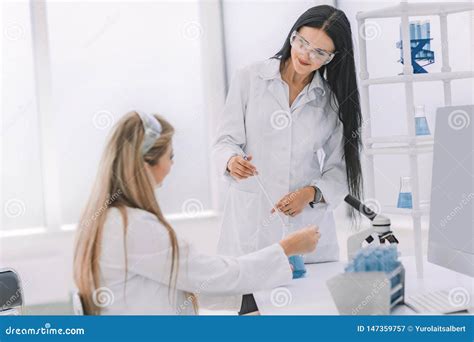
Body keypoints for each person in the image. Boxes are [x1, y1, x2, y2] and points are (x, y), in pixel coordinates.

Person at [73, 110, 320, 315]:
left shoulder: (110, 220)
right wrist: (286, 248)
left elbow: (186, 281)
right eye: (170, 157)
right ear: (146, 164)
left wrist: (246, 300)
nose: (171, 166)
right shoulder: (133, 228)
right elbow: (211, 274)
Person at [213, 5, 363, 314]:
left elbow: (339, 167)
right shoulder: (250, 78)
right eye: (302, 43)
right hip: (252, 225)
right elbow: (225, 141)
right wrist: (231, 160)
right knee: (251, 313)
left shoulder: (331, 100)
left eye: (320, 53)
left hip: (305, 227)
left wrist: (310, 194)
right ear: (292, 36)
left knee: (308, 316)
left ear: (333, 59)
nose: (307, 55)